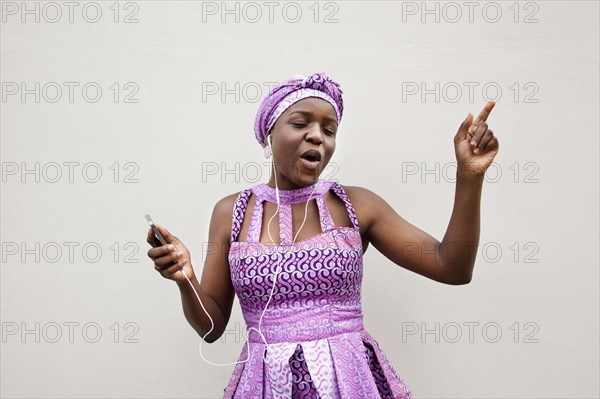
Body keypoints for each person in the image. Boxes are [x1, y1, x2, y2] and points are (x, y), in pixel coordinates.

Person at [146, 72, 499, 399]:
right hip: (267, 387)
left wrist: (470, 175)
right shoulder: (231, 213)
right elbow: (211, 329)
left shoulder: (357, 206)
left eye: (328, 130)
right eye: (300, 123)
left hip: (348, 384)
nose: (317, 135)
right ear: (269, 133)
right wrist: (185, 278)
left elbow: (452, 268)